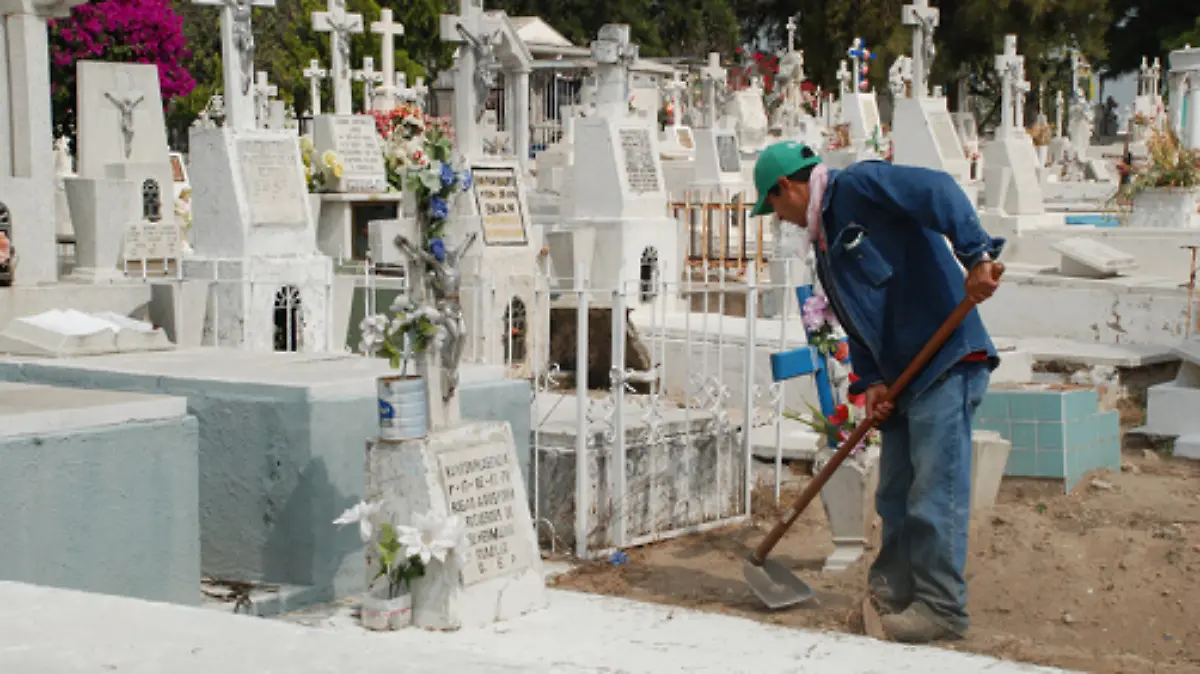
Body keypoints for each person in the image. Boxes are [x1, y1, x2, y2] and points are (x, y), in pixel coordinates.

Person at [750, 141, 1003, 643]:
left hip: (947, 361)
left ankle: (941, 608)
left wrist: (976, 253)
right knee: (893, 494)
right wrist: (873, 380)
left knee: (933, 491)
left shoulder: (859, 187)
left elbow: (939, 189)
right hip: (905, 376)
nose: (780, 218)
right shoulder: (826, 251)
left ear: (786, 188)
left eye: (774, 207)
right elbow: (858, 318)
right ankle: (891, 591)